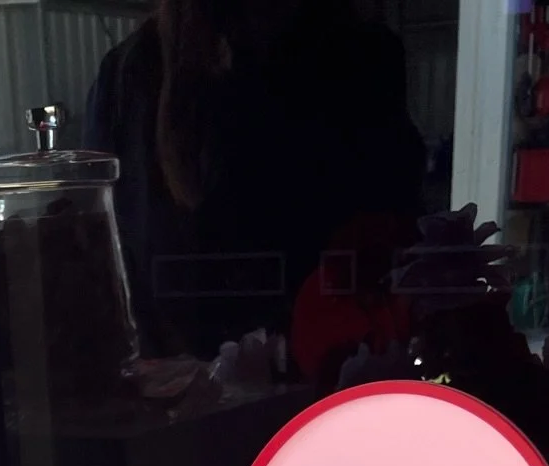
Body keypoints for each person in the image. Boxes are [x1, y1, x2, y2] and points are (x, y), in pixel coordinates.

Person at [85, 0, 424, 358]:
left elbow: (391, 240)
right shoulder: (129, 75)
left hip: (306, 383)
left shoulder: (364, 59)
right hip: (229, 390)